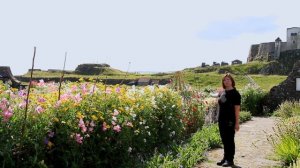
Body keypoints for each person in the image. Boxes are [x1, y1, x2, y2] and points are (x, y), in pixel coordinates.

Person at [217, 73, 241, 167]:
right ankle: (225, 158)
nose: (226, 81)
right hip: (221, 119)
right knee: (224, 140)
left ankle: (230, 160)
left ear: (232, 81)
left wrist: (237, 123)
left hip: (230, 120)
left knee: (229, 140)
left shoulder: (236, 94)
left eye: (228, 79)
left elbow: (237, 109)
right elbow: (221, 104)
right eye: (225, 80)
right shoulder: (223, 92)